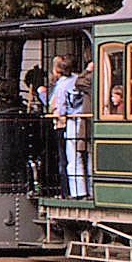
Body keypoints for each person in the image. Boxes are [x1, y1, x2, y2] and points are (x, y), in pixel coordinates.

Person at [66, 65, 92, 197]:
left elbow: (79, 82)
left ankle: (83, 191)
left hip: (86, 124)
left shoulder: (91, 79)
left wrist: (87, 70)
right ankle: (88, 190)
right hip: (85, 123)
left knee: (82, 157)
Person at [48, 56, 74, 186]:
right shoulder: (76, 79)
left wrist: (41, 94)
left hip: (61, 124)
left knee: (63, 157)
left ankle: (65, 188)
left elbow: (56, 106)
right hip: (75, 123)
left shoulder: (61, 85)